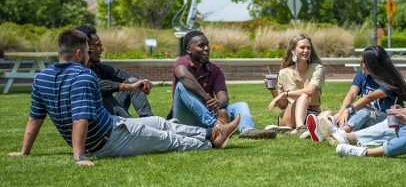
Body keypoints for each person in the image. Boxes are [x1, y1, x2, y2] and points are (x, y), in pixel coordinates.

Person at [9, 30, 240, 166]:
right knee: (164, 139)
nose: (91, 55)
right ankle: (211, 141)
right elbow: (80, 118)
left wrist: (24, 151)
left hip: (114, 125)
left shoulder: (41, 78)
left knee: (160, 123)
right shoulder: (83, 76)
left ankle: (212, 132)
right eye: (89, 51)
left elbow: (35, 119)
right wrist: (79, 157)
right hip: (107, 140)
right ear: (79, 54)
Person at [321, 33, 406, 146]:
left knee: (389, 125)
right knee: (390, 123)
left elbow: (369, 98)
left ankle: (344, 136)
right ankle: (338, 132)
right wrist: (401, 111)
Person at [171, 30, 275, 139]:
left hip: (208, 113)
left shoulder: (215, 69)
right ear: (189, 50)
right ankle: (217, 127)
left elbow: (223, 96)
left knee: (241, 105)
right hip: (185, 118)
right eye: (201, 46)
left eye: (207, 45)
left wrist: (218, 104)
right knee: (181, 86)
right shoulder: (181, 63)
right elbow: (184, 76)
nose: (206, 48)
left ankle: (248, 130)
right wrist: (206, 98)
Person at [309, 46, 406, 142]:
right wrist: (342, 112)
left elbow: (369, 97)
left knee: (365, 111)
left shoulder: (390, 80)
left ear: (374, 65)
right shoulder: (361, 75)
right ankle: (324, 131)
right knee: (328, 113)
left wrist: (348, 109)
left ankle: (340, 132)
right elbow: (352, 94)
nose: (361, 64)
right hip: (363, 116)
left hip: (386, 119)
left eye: (364, 62)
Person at [75, 25, 153, 118]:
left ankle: (148, 118)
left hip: (111, 114)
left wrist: (143, 83)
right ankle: (133, 124)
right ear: (87, 47)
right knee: (104, 95)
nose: (102, 49)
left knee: (134, 79)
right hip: (95, 120)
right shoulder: (75, 71)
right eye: (98, 45)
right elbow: (94, 84)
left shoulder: (98, 67)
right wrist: (129, 86)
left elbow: (126, 77)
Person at [267, 34, 326, 138]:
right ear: (293, 50)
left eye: (308, 48)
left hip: (313, 112)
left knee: (329, 114)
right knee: (303, 97)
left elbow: (311, 90)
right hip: (291, 115)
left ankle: (291, 132)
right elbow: (283, 105)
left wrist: (285, 94)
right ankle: (300, 128)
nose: (306, 50)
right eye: (302, 47)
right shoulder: (284, 73)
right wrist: (272, 89)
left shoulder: (317, 68)